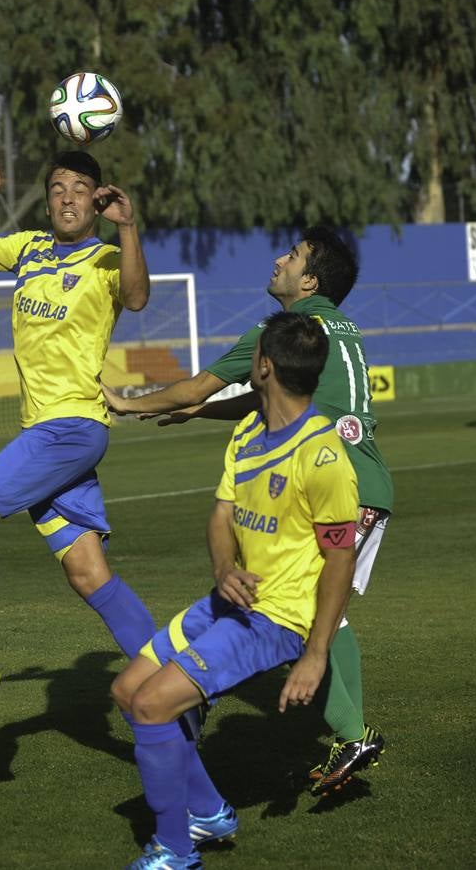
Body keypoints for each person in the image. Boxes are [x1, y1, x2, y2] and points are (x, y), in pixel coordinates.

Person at [103, 227, 391, 795]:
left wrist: (130, 403)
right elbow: (265, 396)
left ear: (308, 280)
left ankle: (349, 732)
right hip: (362, 478)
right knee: (321, 606)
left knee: (312, 607)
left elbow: (196, 387)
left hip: (334, 481)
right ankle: (348, 732)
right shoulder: (337, 326)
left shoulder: (279, 331)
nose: (279, 259)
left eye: (293, 255)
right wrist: (205, 413)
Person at [111, 311, 359, 869]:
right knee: (128, 690)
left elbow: (341, 559)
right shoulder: (248, 432)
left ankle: (175, 853)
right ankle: (206, 811)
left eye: (252, 356)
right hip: (230, 599)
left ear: (264, 367)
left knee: (152, 706)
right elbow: (221, 516)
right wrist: (224, 568)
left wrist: (315, 654)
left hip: (276, 619)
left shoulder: (322, 455)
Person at [0, 149, 156, 712]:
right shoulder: (29, 248)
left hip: (70, 427)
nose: (67, 197)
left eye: (79, 188)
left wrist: (130, 228)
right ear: (47, 199)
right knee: (89, 573)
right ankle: (174, 675)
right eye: (57, 188)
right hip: (47, 429)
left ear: (98, 199)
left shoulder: (106, 258)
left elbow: (138, 298)